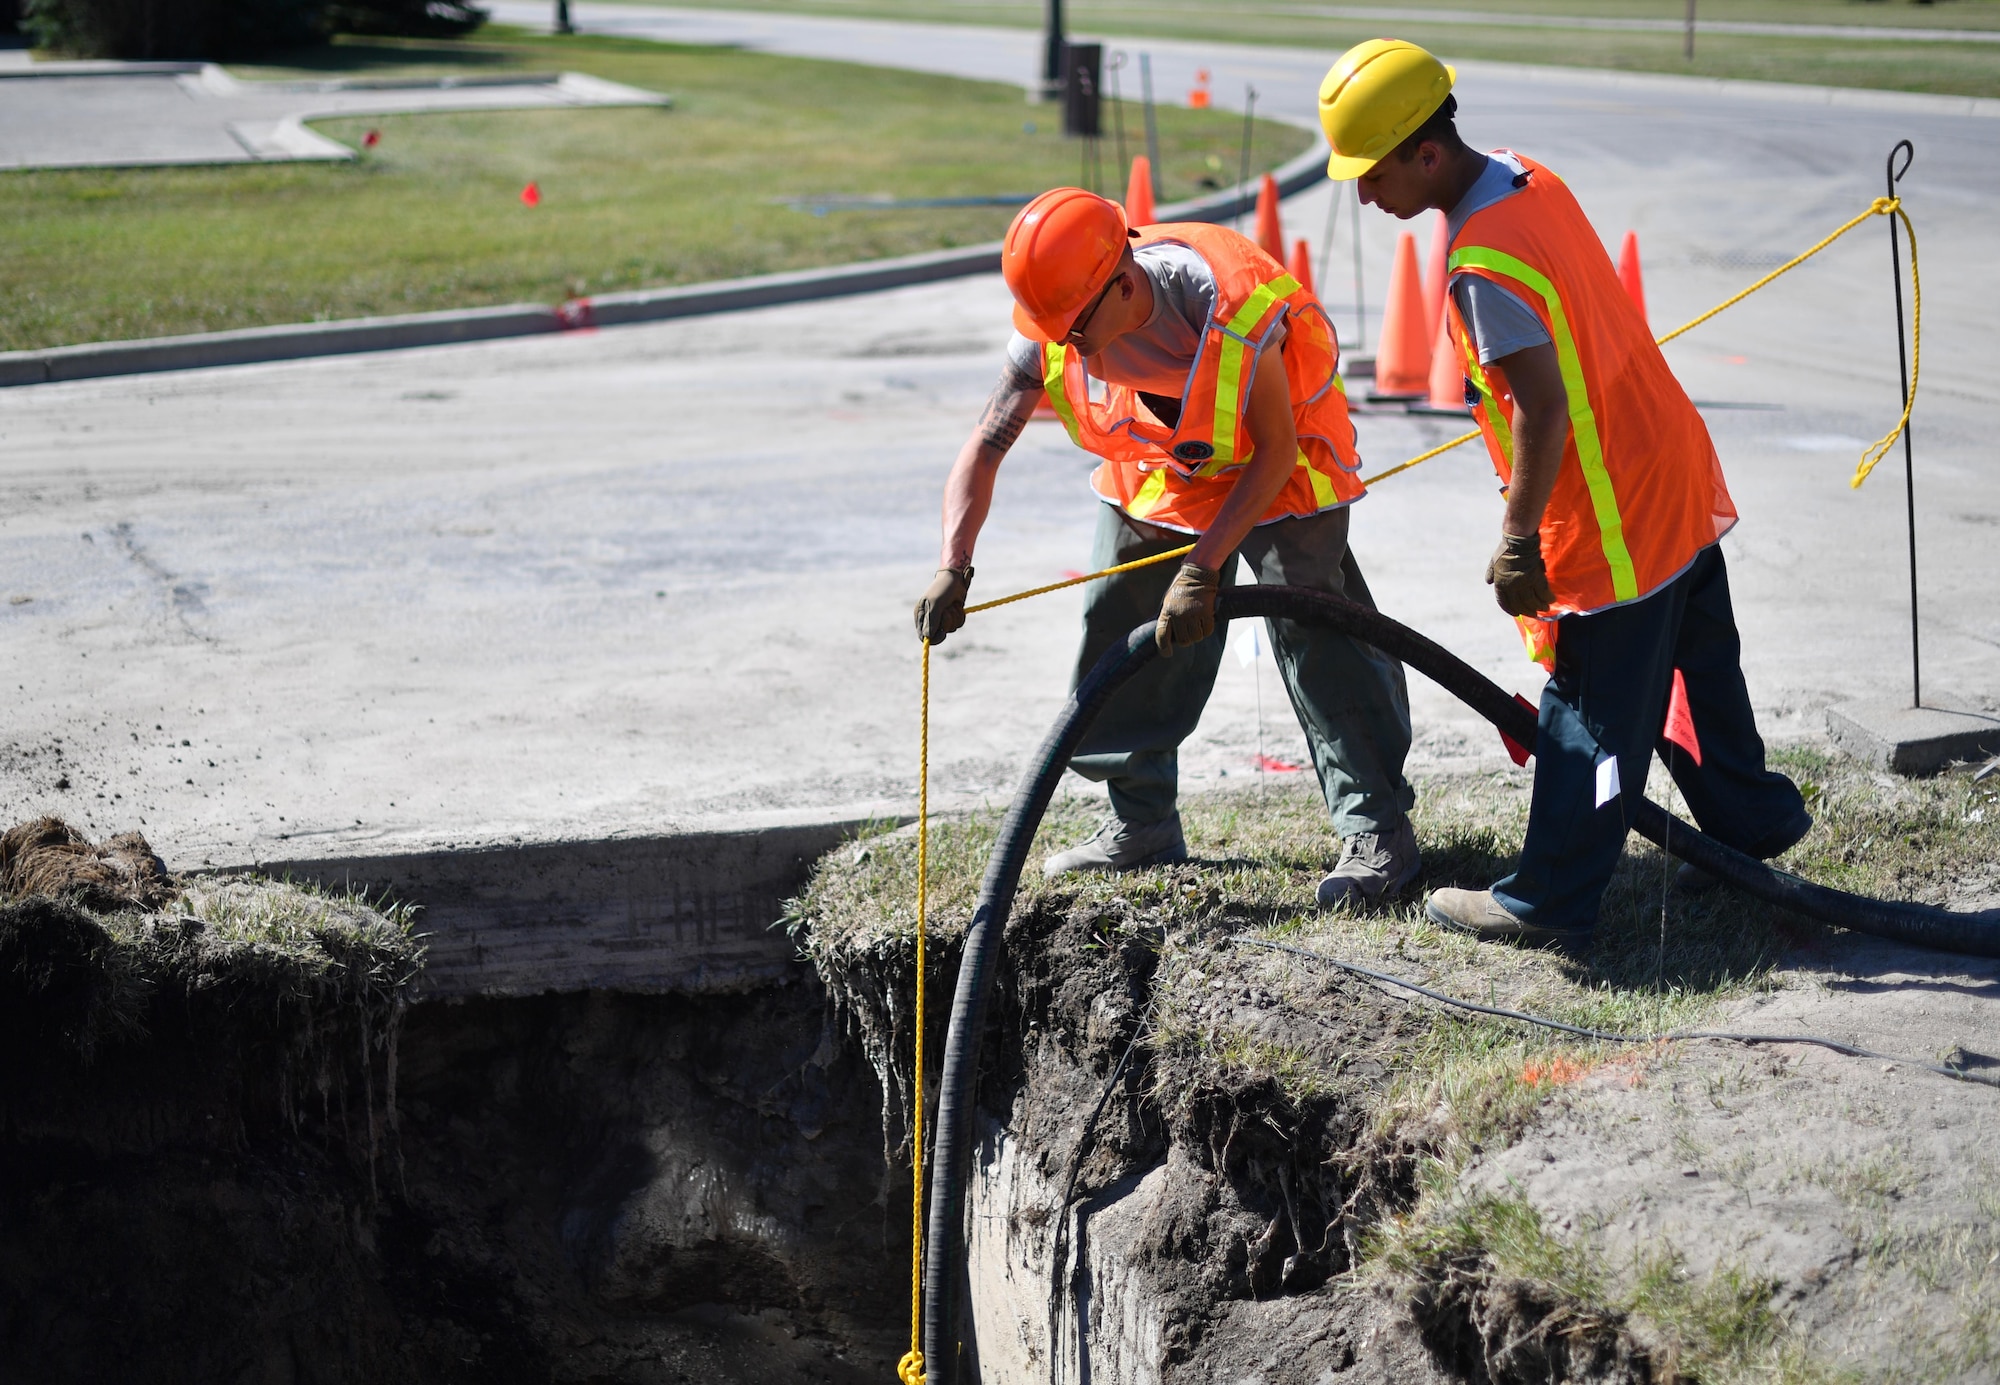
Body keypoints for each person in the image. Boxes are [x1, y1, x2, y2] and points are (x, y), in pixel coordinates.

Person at [1318, 39, 1810, 949]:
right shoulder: (1524, 176)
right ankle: (1755, 832)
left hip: (1612, 510)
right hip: (1667, 463)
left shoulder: (1481, 264)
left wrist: (1518, 541)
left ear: (1427, 154)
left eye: (1372, 171)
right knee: (1699, 675)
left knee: (1590, 720)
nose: (1363, 194)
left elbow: (1542, 410)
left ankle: (1551, 895)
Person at [912, 187, 1420, 905]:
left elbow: (1271, 452)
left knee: (1317, 624)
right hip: (1166, 461)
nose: (1064, 348)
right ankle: (1140, 820)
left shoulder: (1226, 305)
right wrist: (953, 564)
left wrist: (1204, 567)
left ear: (1124, 283)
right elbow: (987, 443)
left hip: (1280, 456)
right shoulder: (1058, 320)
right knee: (1121, 616)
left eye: (1075, 331)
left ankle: (1378, 829)